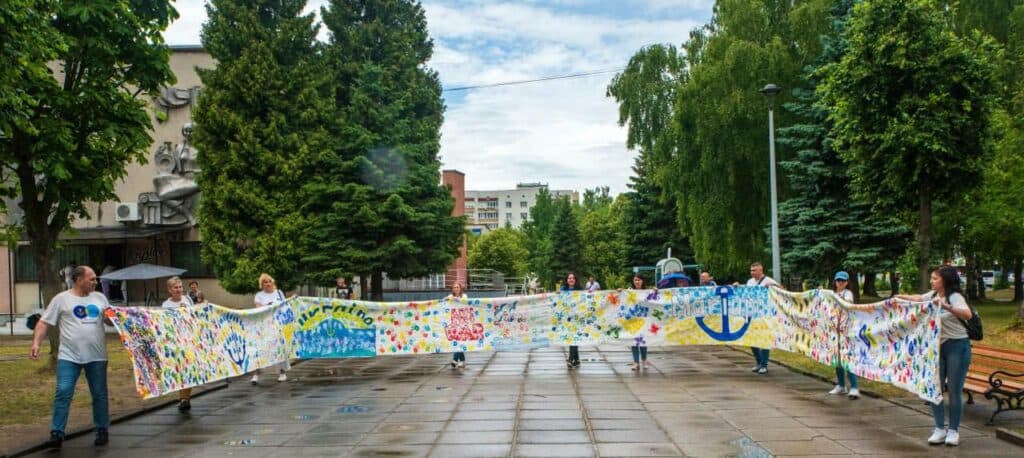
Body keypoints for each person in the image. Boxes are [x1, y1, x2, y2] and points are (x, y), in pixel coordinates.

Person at [30, 265, 111, 448]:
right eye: (91, 279)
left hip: (97, 356)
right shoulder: (61, 299)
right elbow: (44, 323)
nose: (95, 282)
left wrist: (113, 317)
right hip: (69, 357)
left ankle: (101, 430)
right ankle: (57, 433)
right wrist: (36, 343)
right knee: (63, 392)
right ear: (78, 279)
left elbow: (110, 320)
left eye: (95, 278)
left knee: (99, 395)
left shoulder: (100, 298)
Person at [897, 265, 973, 446]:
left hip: (957, 346)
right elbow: (917, 298)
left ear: (945, 280)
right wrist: (899, 297)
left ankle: (953, 431)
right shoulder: (931, 296)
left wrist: (946, 306)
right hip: (937, 349)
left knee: (954, 390)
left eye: (935, 278)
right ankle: (939, 428)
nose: (932, 281)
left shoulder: (954, 297)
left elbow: (967, 314)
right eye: (931, 278)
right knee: (934, 389)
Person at [161, 277, 195, 412]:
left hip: (188, 340)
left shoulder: (187, 300)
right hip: (175, 342)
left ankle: (185, 398)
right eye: (175, 287)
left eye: (180, 287)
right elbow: (164, 323)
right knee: (180, 370)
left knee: (189, 370)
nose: (179, 290)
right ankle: (183, 398)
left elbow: (194, 316)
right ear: (170, 290)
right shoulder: (166, 305)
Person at [251, 273, 290, 384]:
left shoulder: (279, 293)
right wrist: (269, 305)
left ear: (273, 282)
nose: (268, 283)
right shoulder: (259, 295)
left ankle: (282, 373)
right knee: (260, 349)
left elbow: (285, 305)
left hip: (278, 325)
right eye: (265, 282)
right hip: (264, 325)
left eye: (269, 281)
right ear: (262, 284)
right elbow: (259, 309)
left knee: (280, 348)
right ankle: (256, 374)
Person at [828, 271, 859, 399]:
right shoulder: (833, 294)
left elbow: (846, 304)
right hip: (835, 331)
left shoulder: (847, 294)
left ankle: (854, 387)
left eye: (842, 281)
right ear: (835, 281)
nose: (840, 283)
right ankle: (841, 385)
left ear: (846, 282)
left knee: (847, 360)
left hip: (846, 332)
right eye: (838, 280)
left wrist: (832, 297)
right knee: (837, 360)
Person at [746, 262, 778, 375]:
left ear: (761, 270)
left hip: (765, 315)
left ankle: (764, 364)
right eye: (751, 270)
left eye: (754, 270)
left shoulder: (768, 280)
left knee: (764, 340)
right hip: (753, 315)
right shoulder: (750, 282)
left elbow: (782, 290)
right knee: (752, 340)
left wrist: (774, 286)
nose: (752, 272)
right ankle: (758, 362)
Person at [628, 274, 650, 371]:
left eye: (639, 280)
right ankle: (636, 362)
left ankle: (644, 360)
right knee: (634, 342)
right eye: (635, 280)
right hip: (633, 321)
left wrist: (657, 291)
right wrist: (620, 291)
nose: (637, 282)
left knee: (643, 342)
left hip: (644, 321)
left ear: (643, 281)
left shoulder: (647, 292)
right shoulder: (629, 292)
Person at [562, 272, 583, 368]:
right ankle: (577, 359)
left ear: (575, 280)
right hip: (567, 318)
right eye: (569, 278)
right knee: (573, 338)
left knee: (573, 338)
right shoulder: (563, 289)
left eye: (573, 278)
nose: (571, 280)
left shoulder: (580, 290)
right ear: (567, 280)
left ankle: (571, 359)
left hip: (577, 317)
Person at [446, 282, 469, 368]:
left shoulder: (464, 296)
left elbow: (465, 304)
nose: (456, 289)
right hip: (453, 322)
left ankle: (455, 360)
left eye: (457, 287)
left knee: (460, 341)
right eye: (454, 287)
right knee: (457, 341)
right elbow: (443, 302)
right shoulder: (450, 297)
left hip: (462, 321)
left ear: (460, 288)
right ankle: (462, 361)